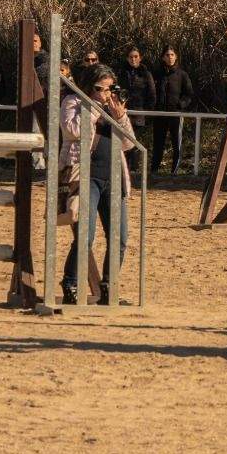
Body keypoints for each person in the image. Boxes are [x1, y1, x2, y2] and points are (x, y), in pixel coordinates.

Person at [60, 62, 140, 305]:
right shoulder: (74, 102)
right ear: (88, 87)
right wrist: (94, 108)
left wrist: (121, 117)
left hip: (114, 177)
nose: (106, 94)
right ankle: (71, 282)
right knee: (86, 235)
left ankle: (108, 285)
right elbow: (72, 130)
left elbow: (129, 145)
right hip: (86, 175)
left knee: (120, 238)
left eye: (109, 89)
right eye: (100, 88)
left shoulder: (112, 110)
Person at [153, 46, 194, 174]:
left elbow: (189, 94)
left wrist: (180, 105)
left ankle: (174, 172)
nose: (170, 57)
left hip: (176, 115)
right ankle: (153, 170)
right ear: (162, 57)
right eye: (167, 55)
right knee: (158, 144)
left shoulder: (182, 75)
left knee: (177, 144)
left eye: (172, 54)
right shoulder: (157, 73)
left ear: (176, 56)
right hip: (159, 114)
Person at [115, 46, 157, 126]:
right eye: (131, 57)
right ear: (127, 58)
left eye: (136, 57)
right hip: (125, 111)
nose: (133, 59)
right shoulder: (122, 73)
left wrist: (146, 112)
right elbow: (118, 90)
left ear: (140, 58)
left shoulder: (146, 74)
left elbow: (152, 94)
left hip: (140, 112)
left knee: (136, 137)